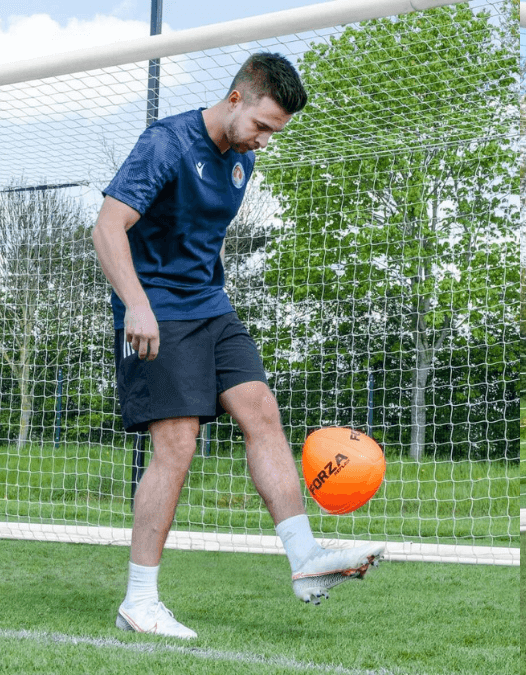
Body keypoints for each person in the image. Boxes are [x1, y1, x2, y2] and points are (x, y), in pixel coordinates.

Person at [93, 53, 384, 639]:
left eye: (275, 132)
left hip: (210, 307)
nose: (264, 141)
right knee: (177, 446)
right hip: (159, 309)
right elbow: (106, 227)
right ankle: (139, 601)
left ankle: (305, 558)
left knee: (262, 411)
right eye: (262, 125)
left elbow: (204, 236)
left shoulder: (241, 160)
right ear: (235, 99)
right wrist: (138, 306)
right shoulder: (167, 143)